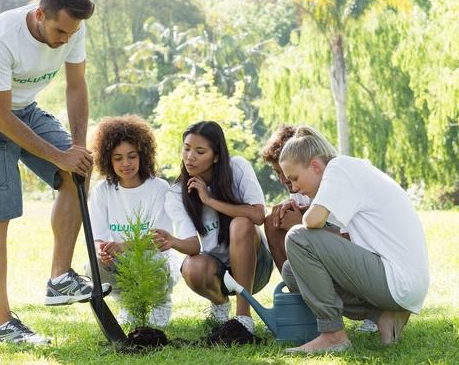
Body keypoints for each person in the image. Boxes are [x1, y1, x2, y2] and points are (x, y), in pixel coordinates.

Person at [0, 0, 95, 344]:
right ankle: (1, 326)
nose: (65, 39)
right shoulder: (2, 36)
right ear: (39, 14)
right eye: (59, 30)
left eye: (71, 32)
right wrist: (59, 154)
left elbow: (76, 86)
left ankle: (60, 278)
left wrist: (75, 150)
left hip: (24, 108)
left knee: (75, 172)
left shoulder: (73, 27)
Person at [278, 126, 429, 354]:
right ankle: (383, 316)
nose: (294, 188)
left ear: (315, 166)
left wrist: (306, 213)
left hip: (396, 279)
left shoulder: (339, 167)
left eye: (295, 178)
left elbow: (312, 222)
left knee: (298, 238)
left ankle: (333, 336)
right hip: (399, 282)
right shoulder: (350, 172)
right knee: (292, 270)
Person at [155, 121, 274, 339]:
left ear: (216, 156)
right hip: (217, 272)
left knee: (241, 222)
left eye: (200, 151)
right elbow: (193, 246)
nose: (190, 156)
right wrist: (173, 241)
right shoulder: (176, 194)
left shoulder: (237, 168)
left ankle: (243, 317)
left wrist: (209, 200)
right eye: (187, 148)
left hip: (256, 267)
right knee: (191, 266)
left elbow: (258, 215)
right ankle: (219, 303)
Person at [260, 125, 378, 333]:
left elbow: (352, 237)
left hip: (365, 260)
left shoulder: (336, 179)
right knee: (273, 222)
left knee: (299, 235)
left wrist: (301, 224)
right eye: (278, 173)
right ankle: (303, 299)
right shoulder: (298, 189)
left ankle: (373, 311)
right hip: (329, 252)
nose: (284, 180)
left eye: (288, 175)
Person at [85, 115, 180, 327]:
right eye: (118, 158)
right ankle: (128, 303)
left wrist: (122, 246)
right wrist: (103, 250)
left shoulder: (159, 188)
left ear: (142, 155)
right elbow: (97, 237)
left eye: (131, 156)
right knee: (93, 265)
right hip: (121, 263)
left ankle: (160, 303)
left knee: (153, 262)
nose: (125, 164)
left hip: (156, 262)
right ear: (108, 160)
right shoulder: (102, 191)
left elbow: (159, 241)